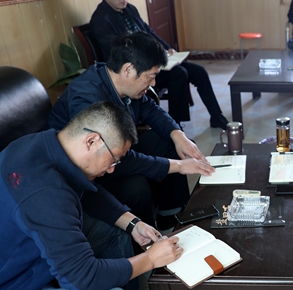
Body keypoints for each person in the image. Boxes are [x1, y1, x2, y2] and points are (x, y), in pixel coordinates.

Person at [0, 102, 184, 290]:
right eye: (114, 159)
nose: (112, 169)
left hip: (21, 262)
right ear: (91, 141)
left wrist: (133, 223)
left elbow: (85, 191)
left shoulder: (38, 145)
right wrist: (151, 260)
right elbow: (83, 279)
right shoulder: (44, 192)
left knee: (114, 230)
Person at [46, 31, 215, 231]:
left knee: (168, 140)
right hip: (87, 169)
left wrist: (178, 135)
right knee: (136, 186)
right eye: (151, 76)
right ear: (128, 69)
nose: (153, 84)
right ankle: (148, 240)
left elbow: (150, 109)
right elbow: (111, 157)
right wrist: (178, 166)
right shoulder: (87, 98)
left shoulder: (121, 83)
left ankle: (172, 216)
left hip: (114, 152)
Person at [91, 0, 229, 129]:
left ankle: (216, 116)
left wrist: (166, 48)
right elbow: (117, 54)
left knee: (199, 72)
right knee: (179, 74)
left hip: (151, 62)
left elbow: (148, 32)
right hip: (135, 70)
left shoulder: (130, 9)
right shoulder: (101, 19)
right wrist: (150, 59)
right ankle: (174, 126)